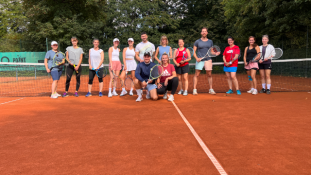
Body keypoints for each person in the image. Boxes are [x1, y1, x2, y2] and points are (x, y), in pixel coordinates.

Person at [193, 27, 220, 95]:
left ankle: (210, 89)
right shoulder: (197, 41)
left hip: (208, 60)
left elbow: (211, 51)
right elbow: (193, 52)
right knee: (197, 75)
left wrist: (215, 53)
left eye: (205, 31)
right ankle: (194, 89)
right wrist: (197, 58)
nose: (204, 32)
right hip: (200, 60)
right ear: (201, 33)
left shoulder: (210, 41)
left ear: (207, 33)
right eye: (203, 31)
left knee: (209, 74)